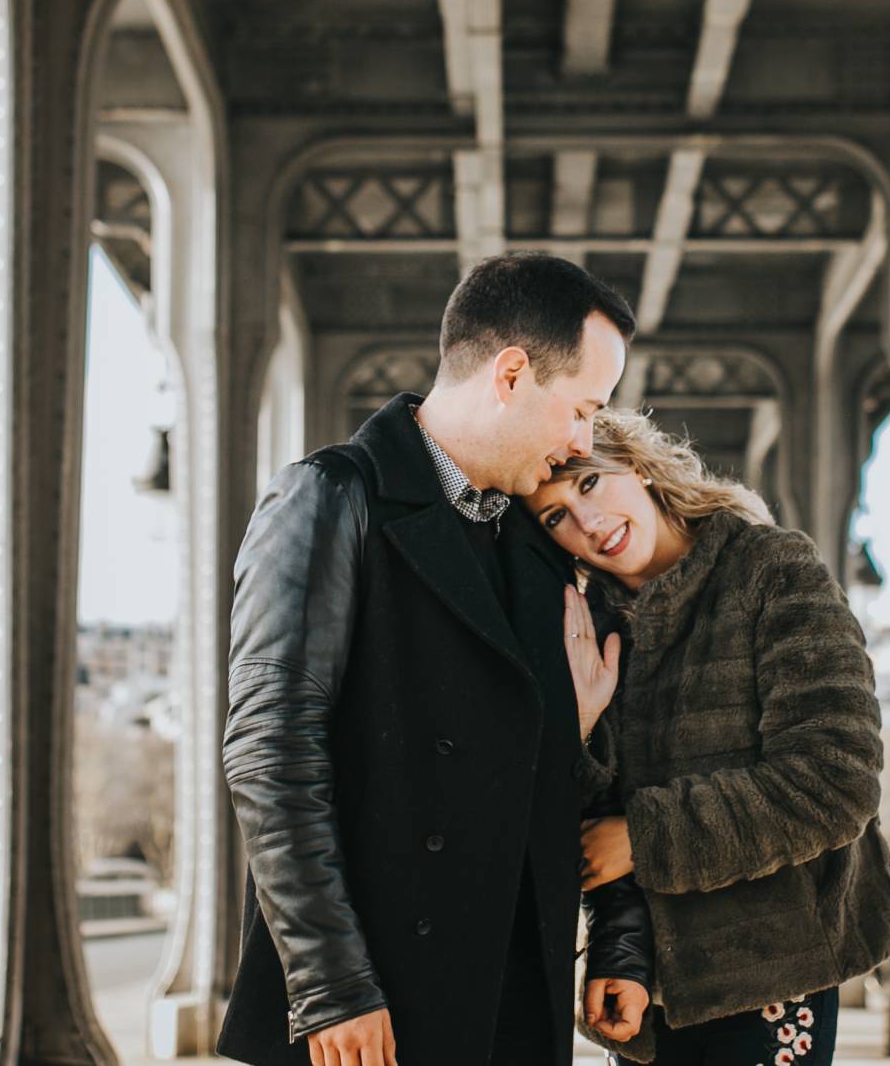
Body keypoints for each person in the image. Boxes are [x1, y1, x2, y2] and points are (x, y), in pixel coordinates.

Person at [219, 254, 654, 1066]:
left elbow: (594, 771)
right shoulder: (331, 496)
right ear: (512, 374)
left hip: (515, 1009)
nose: (584, 441)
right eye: (582, 409)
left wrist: (621, 942)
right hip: (370, 1005)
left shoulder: (545, 547)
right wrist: (331, 985)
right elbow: (270, 752)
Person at [527, 410, 890, 1065]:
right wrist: (620, 958)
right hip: (654, 998)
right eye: (556, 515)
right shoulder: (591, 626)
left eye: (590, 483)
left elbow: (834, 784)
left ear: (637, 466)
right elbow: (598, 824)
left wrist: (645, 838)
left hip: (773, 973)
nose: (587, 522)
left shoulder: (772, 568)